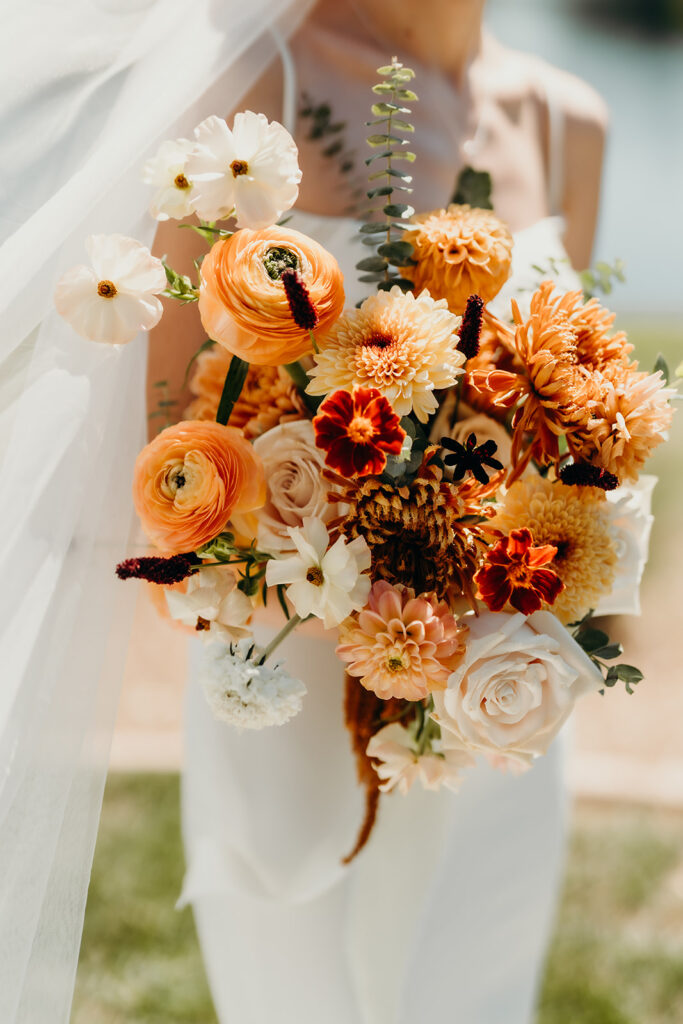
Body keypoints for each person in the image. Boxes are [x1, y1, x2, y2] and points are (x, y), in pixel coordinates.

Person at [148, 2, 609, 1021]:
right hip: (286, 669)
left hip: (503, 669)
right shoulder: (249, 94)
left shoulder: (565, 120)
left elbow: (565, 399)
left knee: (475, 986)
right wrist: (351, 562)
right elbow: (169, 453)